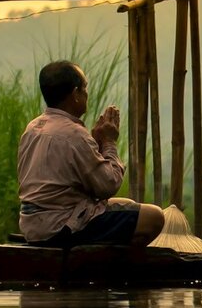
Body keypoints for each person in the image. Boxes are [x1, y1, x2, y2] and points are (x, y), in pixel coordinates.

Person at [16, 60, 164, 247]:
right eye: (84, 88)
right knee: (154, 217)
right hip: (61, 226)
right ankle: (104, 267)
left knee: (126, 203)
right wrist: (109, 142)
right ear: (75, 94)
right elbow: (107, 185)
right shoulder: (74, 134)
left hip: (33, 226)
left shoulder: (33, 128)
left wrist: (96, 143)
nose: (87, 93)